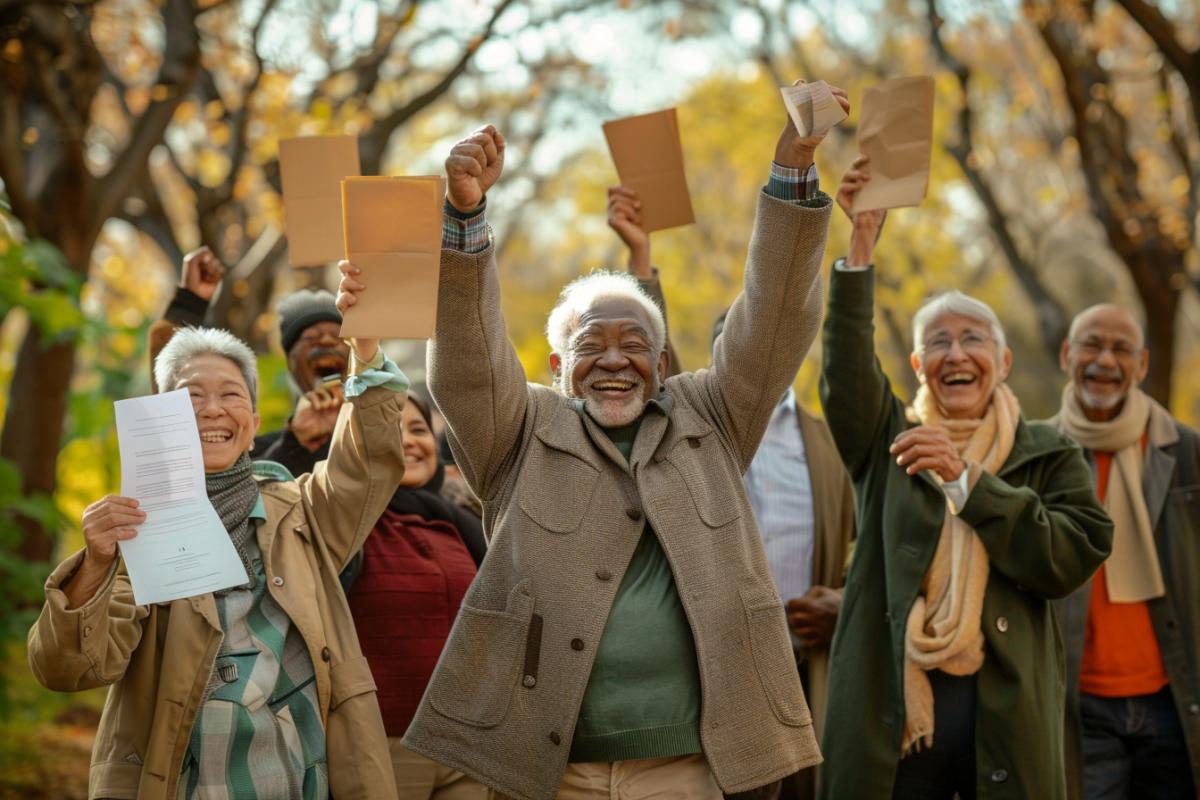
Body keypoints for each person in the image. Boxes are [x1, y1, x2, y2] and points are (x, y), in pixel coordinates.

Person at [401, 84, 845, 800]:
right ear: (557, 368)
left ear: (662, 364)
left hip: (693, 770)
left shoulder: (712, 416)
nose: (614, 359)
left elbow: (772, 319)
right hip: (555, 772)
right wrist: (464, 219)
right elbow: (466, 366)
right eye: (590, 344)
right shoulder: (523, 432)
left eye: (634, 343)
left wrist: (793, 166)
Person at [816, 157, 1113, 800]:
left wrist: (967, 483)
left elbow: (1068, 557)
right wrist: (861, 245)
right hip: (895, 719)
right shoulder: (886, 440)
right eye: (940, 343)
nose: (957, 354)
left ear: (1002, 362)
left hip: (1005, 720)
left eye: (973, 339)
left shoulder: (1051, 452)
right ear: (920, 365)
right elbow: (844, 378)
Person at [28, 325, 408, 798]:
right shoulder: (135, 531)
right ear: (161, 423)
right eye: (191, 398)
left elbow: (368, 462)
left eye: (230, 394)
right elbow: (65, 669)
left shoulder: (303, 511)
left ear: (251, 423)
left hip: (304, 778)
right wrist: (96, 564)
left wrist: (367, 349)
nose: (211, 409)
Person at [609, 182, 857, 800]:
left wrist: (845, 604)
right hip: (707, 669)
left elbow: (867, 544)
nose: (744, 364)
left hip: (809, 664)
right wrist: (640, 261)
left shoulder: (833, 445)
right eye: (729, 354)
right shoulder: (690, 432)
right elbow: (650, 363)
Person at [1050, 304, 1200, 800]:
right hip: (1077, 702)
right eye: (1092, 344)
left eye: (1122, 349)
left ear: (1143, 364)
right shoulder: (1035, 451)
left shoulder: (1185, 451)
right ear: (1068, 353)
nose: (1105, 360)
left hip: (1174, 700)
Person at [335, 384, 488, 798]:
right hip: (380, 745)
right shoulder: (342, 525)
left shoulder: (466, 524)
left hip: (466, 745)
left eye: (418, 429)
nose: (408, 440)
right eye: (390, 428)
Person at [149, 246, 350, 474]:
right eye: (311, 338)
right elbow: (175, 379)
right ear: (289, 362)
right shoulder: (245, 448)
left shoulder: (386, 436)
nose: (325, 341)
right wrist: (188, 304)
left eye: (338, 337)